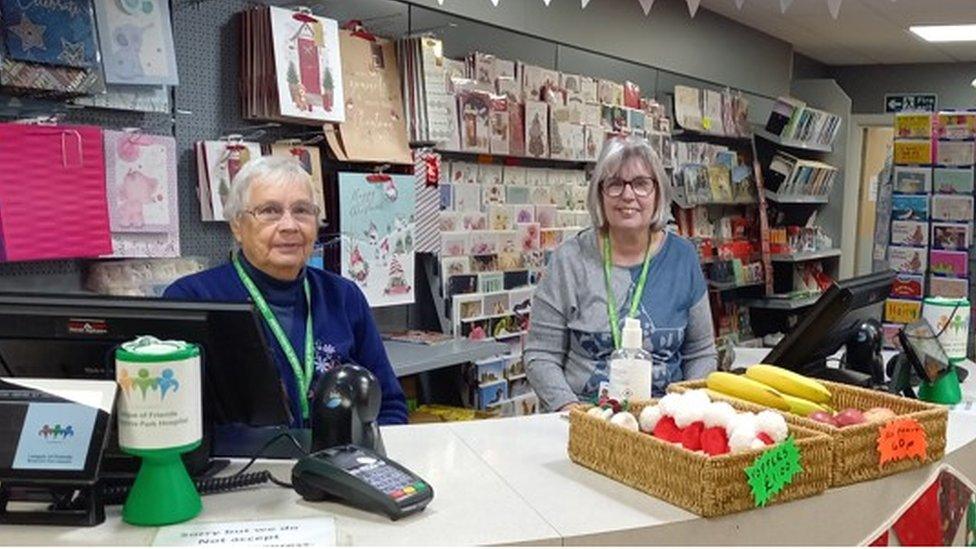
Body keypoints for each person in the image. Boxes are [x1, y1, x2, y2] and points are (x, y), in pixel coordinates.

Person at [164, 156, 407, 426]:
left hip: (338, 461)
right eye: (270, 211)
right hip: (242, 466)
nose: (290, 225)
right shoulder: (193, 299)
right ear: (237, 225)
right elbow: (175, 420)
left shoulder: (343, 296)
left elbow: (389, 405)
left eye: (302, 210)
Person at [525, 135, 717, 412]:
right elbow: (541, 354)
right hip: (586, 420)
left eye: (641, 184)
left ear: (658, 194)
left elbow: (701, 352)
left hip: (664, 424)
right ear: (599, 194)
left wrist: (685, 409)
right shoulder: (569, 260)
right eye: (615, 184)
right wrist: (571, 410)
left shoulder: (683, 257)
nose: (628, 195)